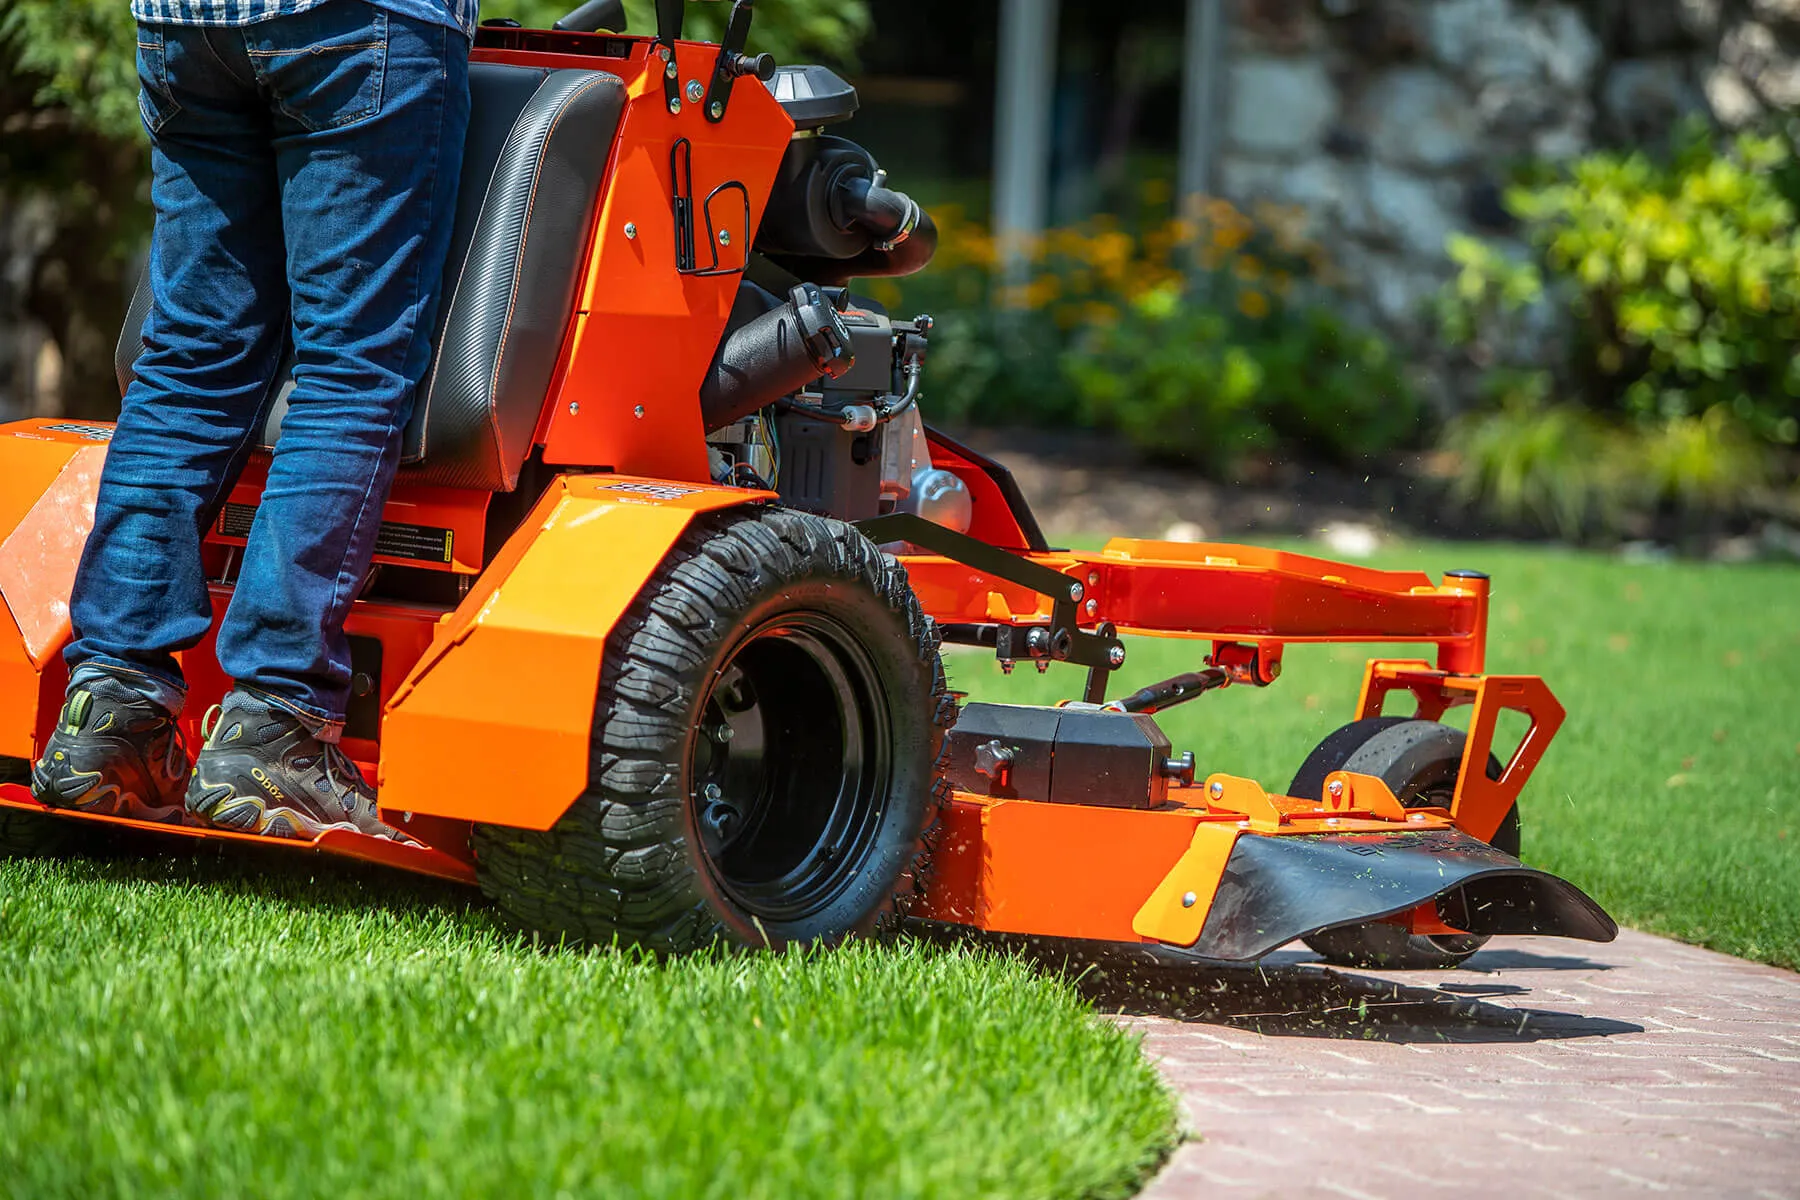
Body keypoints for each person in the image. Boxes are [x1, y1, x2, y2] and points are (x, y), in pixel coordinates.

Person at [30, 0, 475, 842]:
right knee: (350, 365)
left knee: (192, 357)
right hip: (357, 25)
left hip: (186, 23)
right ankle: (274, 722)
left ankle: (113, 715)